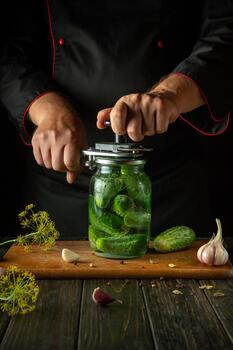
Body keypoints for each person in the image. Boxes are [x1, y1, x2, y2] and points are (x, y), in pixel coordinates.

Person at [0, 1, 233, 239]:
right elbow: (10, 51)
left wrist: (169, 95)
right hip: (61, 187)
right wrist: (48, 110)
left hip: (168, 185)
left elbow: (226, 33)